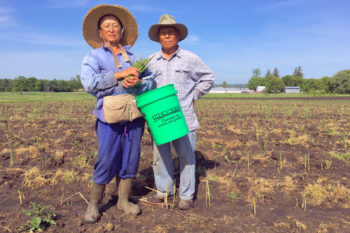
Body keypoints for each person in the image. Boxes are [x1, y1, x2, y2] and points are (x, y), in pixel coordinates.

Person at [80, 5, 154, 223]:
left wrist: (139, 81)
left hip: (134, 116)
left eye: (115, 26)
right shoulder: (93, 57)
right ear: (100, 32)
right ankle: (94, 204)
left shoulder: (134, 56)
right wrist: (120, 75)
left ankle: (123, 200)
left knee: (131, 157)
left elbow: (151, 82)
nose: (111, 29)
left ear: (122, 31)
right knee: (106, 158)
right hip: (108, 117)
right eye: (106, 26)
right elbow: (90, 84)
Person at [147, 14, 215, 209]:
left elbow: (209, 77)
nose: (167, 36)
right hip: (159, 119)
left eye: (170, 32)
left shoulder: (190, 58)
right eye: (163, 33)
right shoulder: (150, 61)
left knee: (186, 156)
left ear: (177, 36)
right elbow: (144, 87)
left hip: (183, 117)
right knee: (160, 157)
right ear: (158, 37)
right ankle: (164, 191)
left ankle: (186, 195)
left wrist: (194, 96)